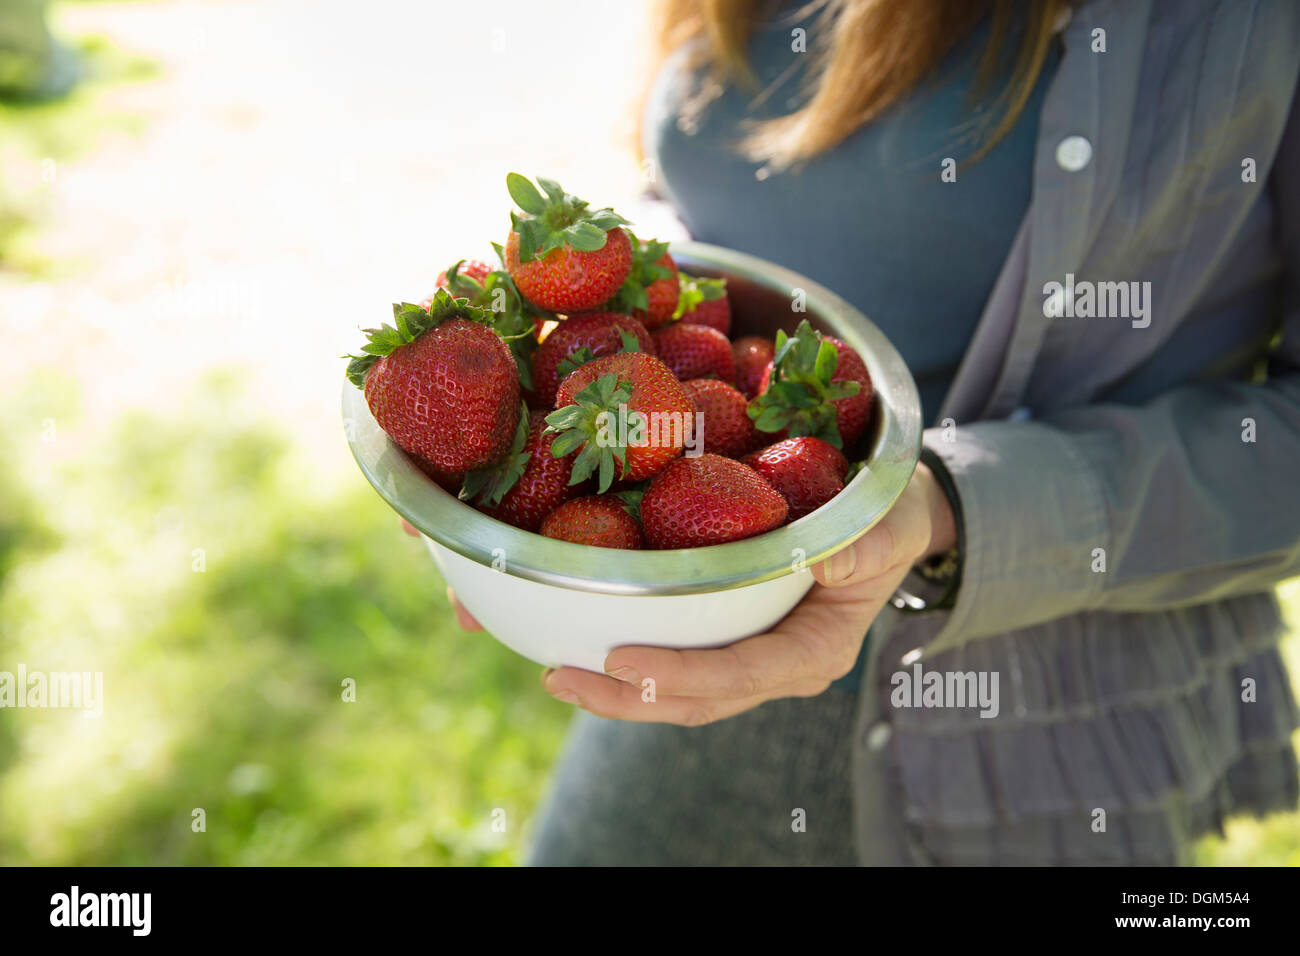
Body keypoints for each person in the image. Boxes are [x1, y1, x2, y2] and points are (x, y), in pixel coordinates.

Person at [450, 0, 1300, 865]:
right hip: (696, 611)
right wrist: (550, 362)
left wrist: (943, 506)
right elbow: (703, 190)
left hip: (1028, 712)